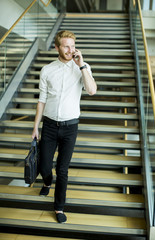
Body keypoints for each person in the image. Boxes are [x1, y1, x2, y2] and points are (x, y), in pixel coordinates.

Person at [32, 30, 97, 223]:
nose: (71, 50)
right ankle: (46, 181)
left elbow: (92, 90)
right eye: (66, 46)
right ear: (57, 47)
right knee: (45, 166)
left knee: (63, 169)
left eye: (73, 46)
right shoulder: (47, 70)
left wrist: (82, 65)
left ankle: (59, 207)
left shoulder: (82, 67)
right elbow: (41, 101)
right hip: (49, 125)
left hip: (70, 127)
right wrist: (35, 127)